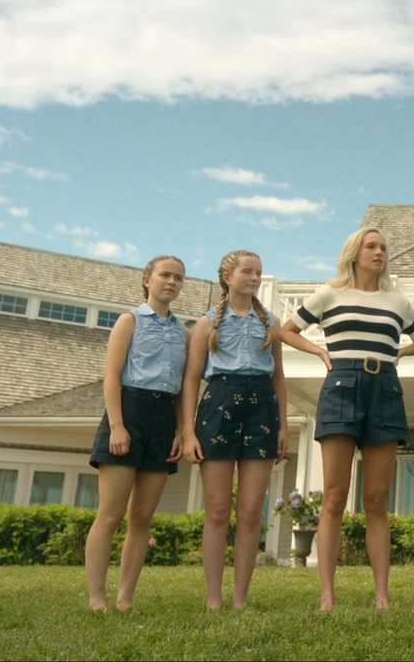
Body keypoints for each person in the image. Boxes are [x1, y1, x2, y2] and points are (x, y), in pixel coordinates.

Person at [281, 227, 414, 611]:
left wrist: (399, 353)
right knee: (334, 496)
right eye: (371, 246)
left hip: (385, 389)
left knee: (377, 500)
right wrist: (319, 351)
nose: (379, 252)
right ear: (354, 253)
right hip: (341, 386)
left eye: (383, 247)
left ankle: (382, 595)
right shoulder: (330, 294)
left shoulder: (396, 300)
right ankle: (327, 594)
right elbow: (287, 330)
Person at [176, 250, 288, 611]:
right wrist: (188, 431)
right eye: (247, 272)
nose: (254, 278)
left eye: (258, 273)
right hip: (219, 406)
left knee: (251, 511)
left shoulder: (271, 323)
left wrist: (283, 427)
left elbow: (279, 378)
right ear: (228, 277)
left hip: (261, 409)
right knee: (218, 510)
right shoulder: (207, 323)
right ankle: (214, 598)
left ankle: (240, 598)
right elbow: (191, 379)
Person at [83, 255, 190, 612]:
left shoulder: (183, 333)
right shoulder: (129, 321)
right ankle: (97, 597)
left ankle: (125, 597)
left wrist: (180, 430)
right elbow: (112, 376)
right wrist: (117, 425)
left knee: (142, 517)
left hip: (163, 419)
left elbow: (182, 388)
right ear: (147, 280)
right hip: (129, 412)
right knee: (111, 514)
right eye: (165, 275)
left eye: (178, 277)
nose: (171, 282)